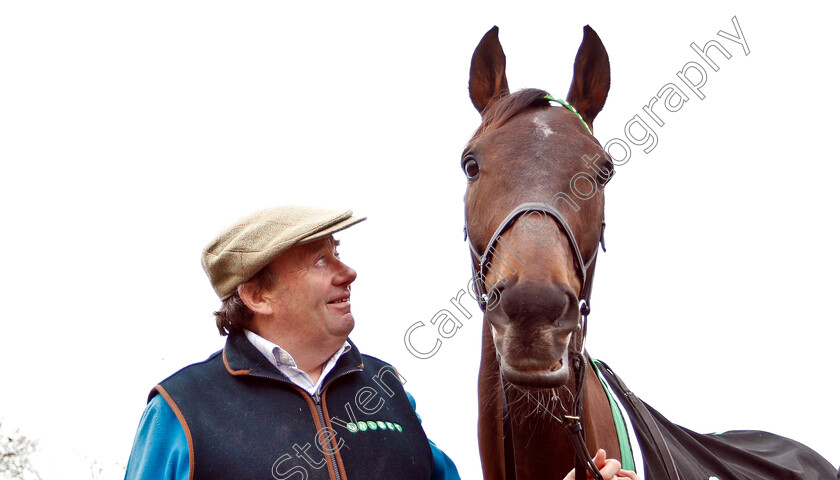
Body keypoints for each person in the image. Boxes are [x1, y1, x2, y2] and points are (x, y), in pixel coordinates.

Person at [124, 205, 639, 480]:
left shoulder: (386, 387)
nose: (349, 272)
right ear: (257, 293)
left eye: (339, 252)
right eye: (320, 260)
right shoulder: (182, 408)